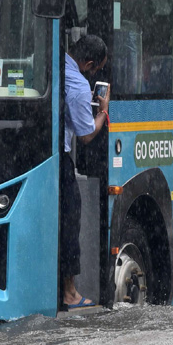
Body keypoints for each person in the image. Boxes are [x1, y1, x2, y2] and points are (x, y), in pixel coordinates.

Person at [61, 34, 110, 309]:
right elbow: (86, 135)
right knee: (70, 221)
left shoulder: (55, 64)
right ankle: (69, 293)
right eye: (95, 69)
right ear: (88, 63)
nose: (94, 75)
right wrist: (102, 111)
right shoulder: (79, 85)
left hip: (44, 153)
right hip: (60, 159)